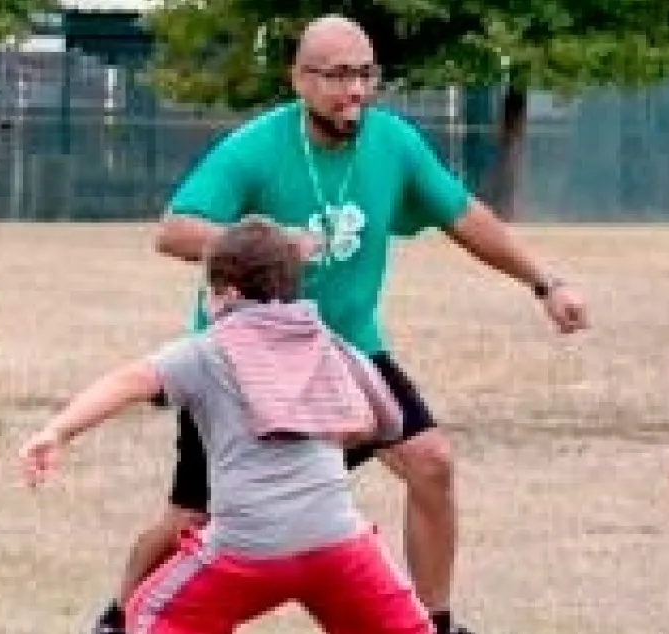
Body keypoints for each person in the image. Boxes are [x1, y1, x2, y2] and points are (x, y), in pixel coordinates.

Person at [88, 15, 591, 634]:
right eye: (336, 75)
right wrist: (266, 246)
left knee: (430, 462)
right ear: (299, 79)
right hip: (246, 362)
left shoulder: (394, 143)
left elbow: (465, 217)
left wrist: (546, 282)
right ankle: (120, 618)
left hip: (345, 353)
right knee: (193, 518)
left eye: (364, 74)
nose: (354, 90)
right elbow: (174, 230)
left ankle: (436, 621)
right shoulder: (256, 146)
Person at [22, 218, 434, 634]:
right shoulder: (323, 341)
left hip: (246, 548)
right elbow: (385, 416)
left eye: (208, 290)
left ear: (228, 295)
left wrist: (57, 431)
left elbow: (127, 381)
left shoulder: (207, 352)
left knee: (151, 616)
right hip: (337, 540)